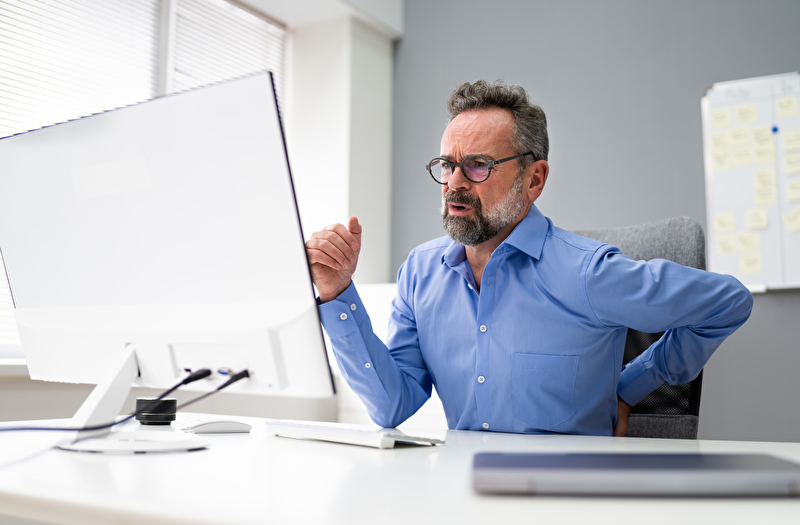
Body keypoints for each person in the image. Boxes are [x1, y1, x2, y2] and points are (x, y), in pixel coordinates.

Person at [305, 80, 753, 436]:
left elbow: (729, 301)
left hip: (567, 500)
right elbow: (392, 406)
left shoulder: (588, 274)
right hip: (458, 495)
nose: (454, 183)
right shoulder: (420, 273)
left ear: (533, 179)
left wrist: (630, 387)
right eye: (447, 164)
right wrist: (336, 292)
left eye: (478, 165)